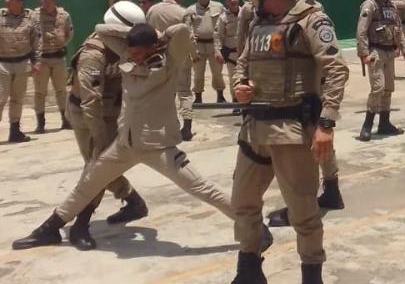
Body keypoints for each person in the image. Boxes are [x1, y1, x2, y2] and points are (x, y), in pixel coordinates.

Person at [11, 21, 256, 252]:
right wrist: (135, 33)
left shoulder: (170, 61)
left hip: (158, 147)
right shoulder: (127, 54)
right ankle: (50, 229)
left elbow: (181, 30)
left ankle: (255, 229)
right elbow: (102, 29)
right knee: (87, 184)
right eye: (133, 51)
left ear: (153, 46)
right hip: (125, 144)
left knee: (203, 189)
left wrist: (159, 37)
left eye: (141, 52)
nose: (136, 57)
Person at [210, 0, 349, 284]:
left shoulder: (311, 21)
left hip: (291, 130)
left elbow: (336, 69)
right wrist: (241, 85)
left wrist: (326, 124)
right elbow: (243, 60)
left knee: (303, 212)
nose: (253, 1)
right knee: (243, 204)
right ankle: (250, 275)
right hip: (255, 128)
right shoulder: (257, 22)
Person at [60, 1, 150, 248]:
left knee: (96, 170)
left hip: (110, 113)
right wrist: (101, 141)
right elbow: (91, 103)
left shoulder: (120, 48)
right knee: (98, 166)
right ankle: (130, 203)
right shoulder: (94, 54)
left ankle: (84, 222)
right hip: (88, 115)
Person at [266, 0, 346, 228]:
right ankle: (331, 190)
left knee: (303, 154)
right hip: (314, 91)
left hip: (310, 93)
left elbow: (333, 65)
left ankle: (301, 208)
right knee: (320, 146)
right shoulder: (313, 15)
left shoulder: (311, 19)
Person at [356, 0, 405, 142]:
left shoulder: (391, 6)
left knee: (388, 88)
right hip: (376, 52)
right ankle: (367, 126)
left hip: (390, 51)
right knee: (378, 88)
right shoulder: (369, 5)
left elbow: (399, 30)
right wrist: (364, 53)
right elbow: (361, 31)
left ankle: (384, 123)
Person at [147, 0, 194, 141]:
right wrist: (194, 53)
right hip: (180, 57)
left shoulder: (153, 10)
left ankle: (169, 126)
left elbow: (147, 31)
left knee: (165, 93)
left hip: (158, 57)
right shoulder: (183, 12)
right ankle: (186, 127)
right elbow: (189, 35)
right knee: (184, 92)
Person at [0, 0, 41, 142]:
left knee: (18, 99)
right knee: (0, 98)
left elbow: (36, 42)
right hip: (2, 64)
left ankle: (15, 131)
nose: (6, 1)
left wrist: (37, 61)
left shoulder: (30, 18)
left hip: (22, 64)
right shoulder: (0, 15)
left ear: (18, 1)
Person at [31, 0, 74, 133]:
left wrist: (61, 44)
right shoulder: (35, 15)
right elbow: (31, 34)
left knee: (61, 90)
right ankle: (40, 123)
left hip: (58, 57)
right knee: (40, 92)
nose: (43, 2)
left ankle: (65, 119)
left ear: (53, 0)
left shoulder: (64, 15)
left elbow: (70, 33)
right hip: (41, 58)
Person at [185, 0, 226, 104]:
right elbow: (188, 29)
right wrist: (192, 48)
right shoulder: (191, 10)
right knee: (198, 73)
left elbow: (224, 24)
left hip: (214, 45)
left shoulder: (218, 7)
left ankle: (220, 96)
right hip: (198, 45)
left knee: (217, 72)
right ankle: (198, 97)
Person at [215, 0, 243, 105]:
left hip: (246, 53)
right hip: (231, 54)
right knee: (233, 79)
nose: (232, 1)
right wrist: (218, 51)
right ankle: (236, 102)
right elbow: (217, 35)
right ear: (227, 2)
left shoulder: (247, 13)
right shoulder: (223, 18)